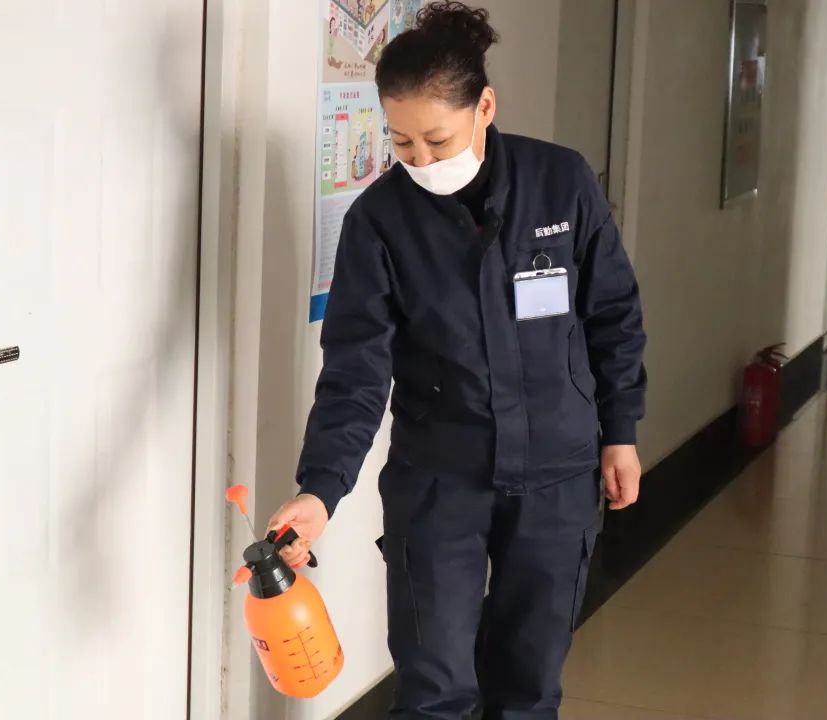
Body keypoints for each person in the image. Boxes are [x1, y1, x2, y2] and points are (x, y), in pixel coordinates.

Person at [268, 2, 647, 718]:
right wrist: (320, 488)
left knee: (528, 684)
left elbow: (613, 315)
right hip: (440, 482)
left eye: (437, 139)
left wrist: (620, 430)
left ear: (485, 108)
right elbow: (355, 370)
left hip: (557, 473)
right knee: (434, 688)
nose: (421, 160)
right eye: (401, 142)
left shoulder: (560, 182)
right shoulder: (379, 221)